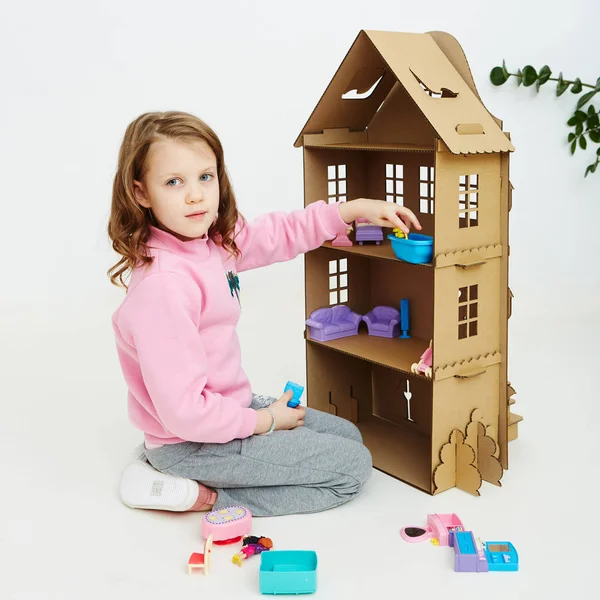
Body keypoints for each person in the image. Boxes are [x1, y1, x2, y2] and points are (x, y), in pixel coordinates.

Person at [108, 111, 421, 517]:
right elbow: (185, 413)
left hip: (225, 410)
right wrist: (264, 421)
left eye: (205, 177)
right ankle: (195, 492)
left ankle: (170, 461)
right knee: (352, 469)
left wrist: (351, 210)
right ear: (141, 193)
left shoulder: (210, 242)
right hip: (193, 443)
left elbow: (277, 235)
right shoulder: (164, 287)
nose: (195, 196)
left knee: (350, 435)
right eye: (173, 182)